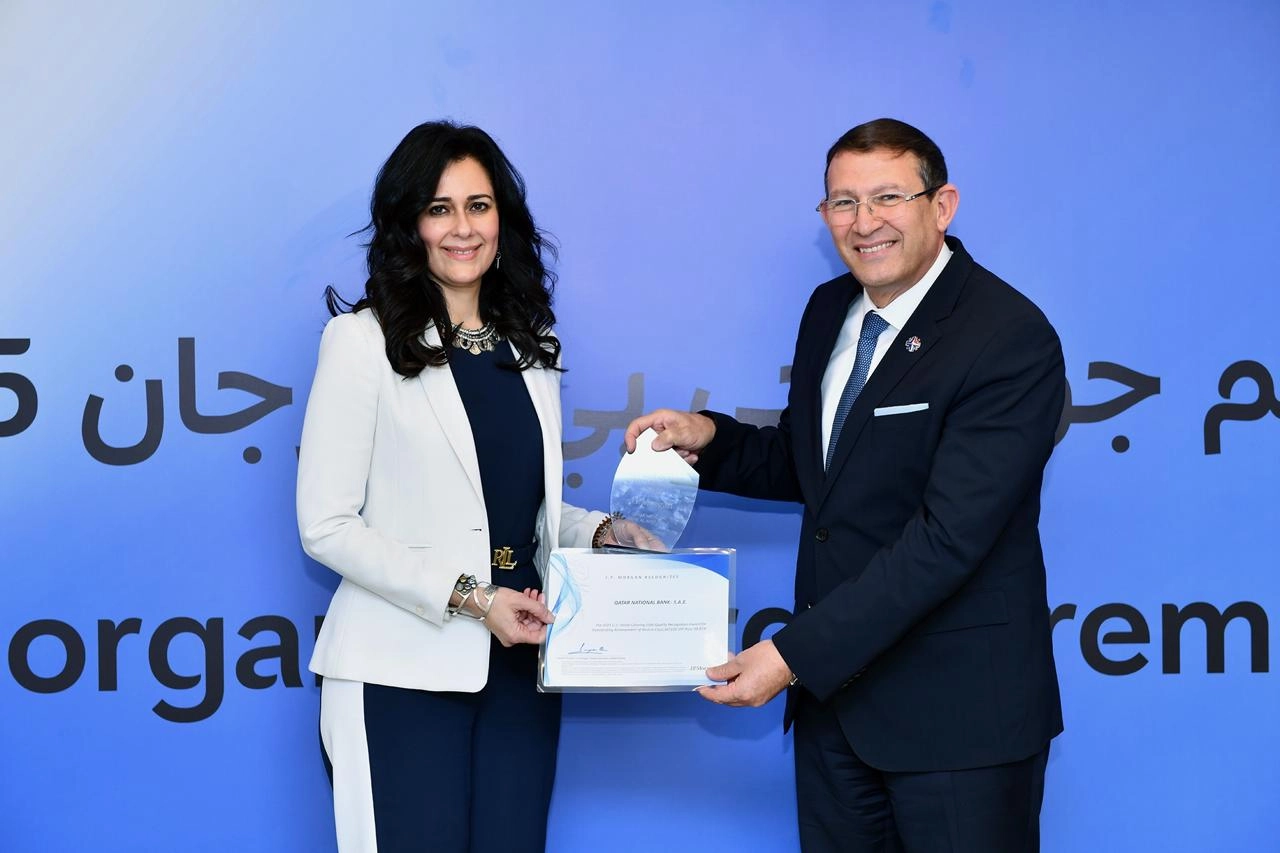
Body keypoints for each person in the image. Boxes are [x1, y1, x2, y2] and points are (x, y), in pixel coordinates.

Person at [626, 118, 1065, 852]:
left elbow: (947, 539)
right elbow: (821, 468)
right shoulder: (830, 309)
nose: (864, 223)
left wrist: (791, 656)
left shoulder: (1007, 335)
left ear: (942, 205)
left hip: (959, 724)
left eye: (887, 197)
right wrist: (711, 439)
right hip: (837, 713)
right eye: (843, 202)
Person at [297, 121, 620, 853]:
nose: (462, 228)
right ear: (408, 224)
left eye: (479, 205)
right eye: (438, 209)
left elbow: (514, 507)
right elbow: (327, 525)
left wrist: (603, 531)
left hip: (520, 670)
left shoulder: (533, 346)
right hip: (400, 670)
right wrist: (473, 598)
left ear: (504, 217)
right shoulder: (362, 342)